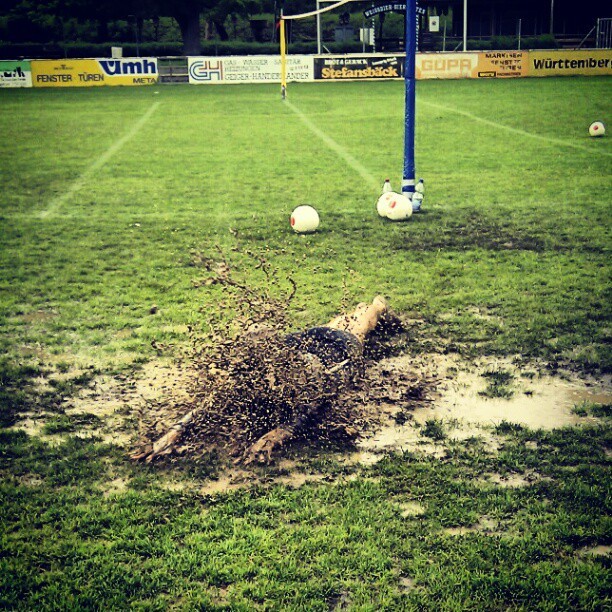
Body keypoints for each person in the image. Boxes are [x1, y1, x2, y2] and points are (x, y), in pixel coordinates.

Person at [131, 296, 390, 464]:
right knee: (337, 322)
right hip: (308, 339)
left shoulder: (301, 378)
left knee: (359, 326)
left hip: (340, 350)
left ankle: (377, 306)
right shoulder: (255, 370)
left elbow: (306, 416)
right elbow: (213, 404)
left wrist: (272, 438)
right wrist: (175, 432)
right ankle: (359, 308)